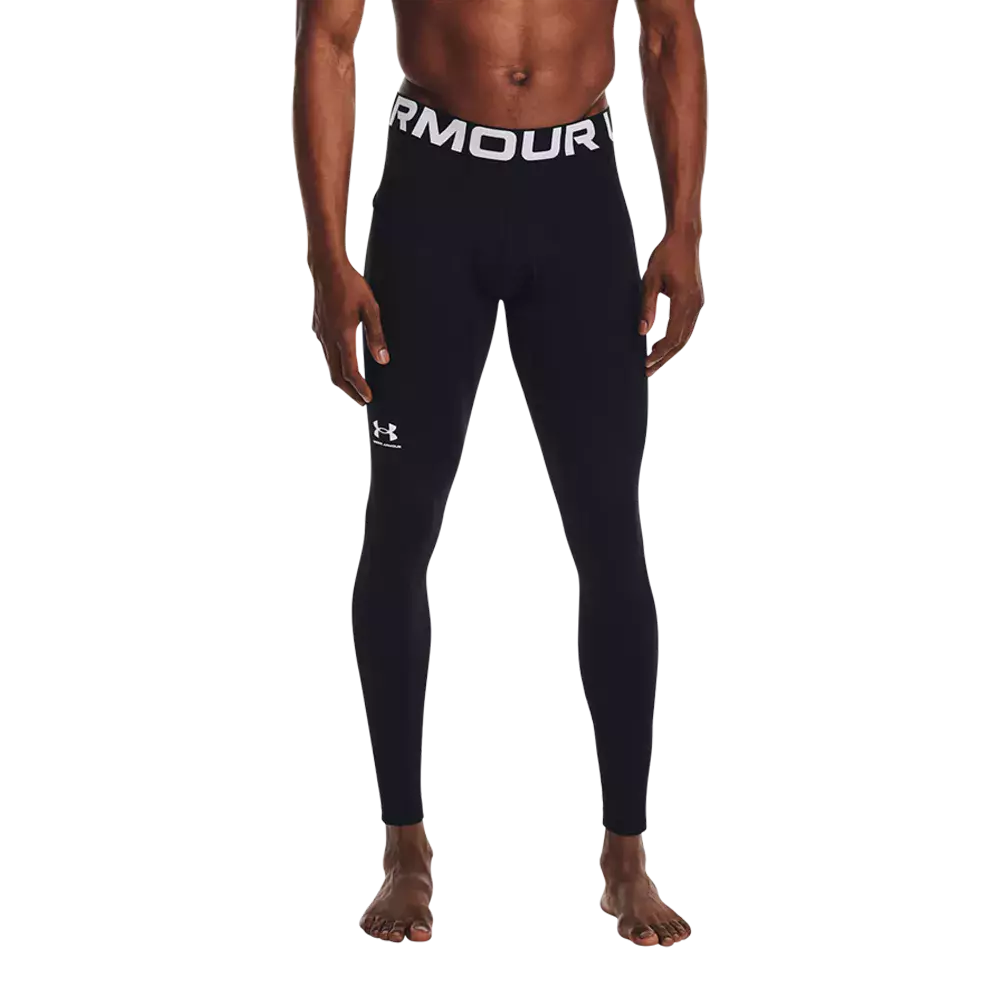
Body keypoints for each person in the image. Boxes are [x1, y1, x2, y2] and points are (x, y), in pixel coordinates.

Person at [292, 0, 706, 946]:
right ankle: (405, 853)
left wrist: (683, 226)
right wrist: (326, 258)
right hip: (433, 199)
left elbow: (669, 32)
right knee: (400, 525)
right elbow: (328, 38)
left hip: (577, 199)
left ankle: (627, 857)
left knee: (610, 530)